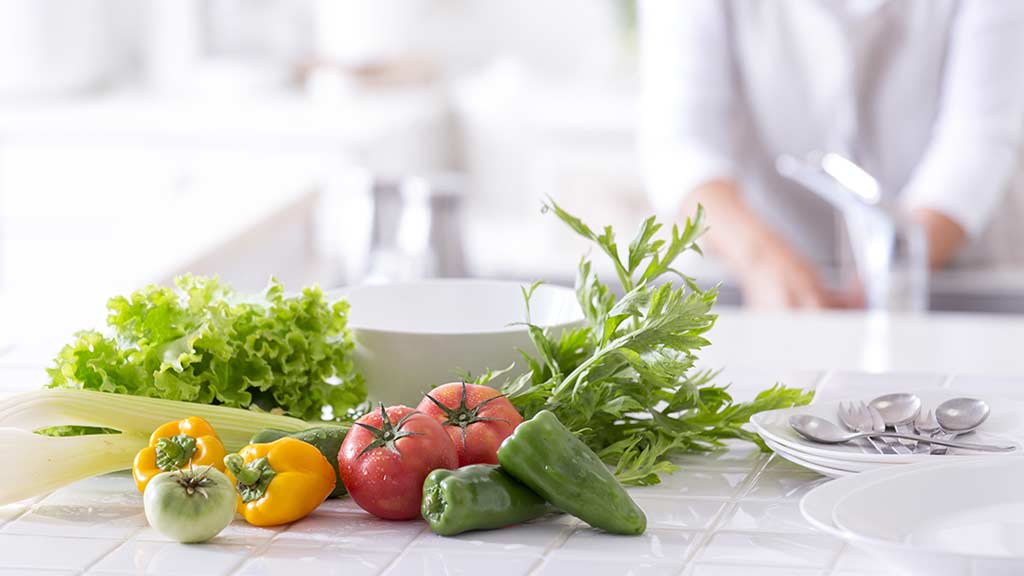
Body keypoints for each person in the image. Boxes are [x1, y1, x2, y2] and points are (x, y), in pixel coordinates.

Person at [639, 0, 1024, 308]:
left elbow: (977, 137)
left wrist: (896, 270)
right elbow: (681, 144)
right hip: (763, 275)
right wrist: (760, 259)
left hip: (955, 274)